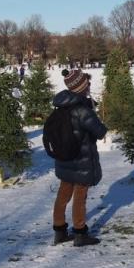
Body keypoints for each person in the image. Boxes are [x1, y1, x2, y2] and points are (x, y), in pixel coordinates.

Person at [51, 69, 107, 246]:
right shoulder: (82, 110)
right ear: (82, 87)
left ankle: (59, 231)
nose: (89, 85)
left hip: (65, 159)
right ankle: (80, 233)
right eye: (87, 83)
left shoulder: (61, 105)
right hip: (81, 160)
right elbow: (100, 132)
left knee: (63, 194)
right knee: (80, 196)